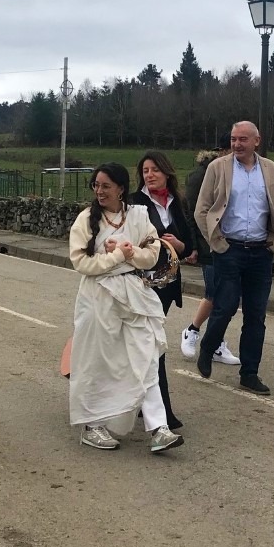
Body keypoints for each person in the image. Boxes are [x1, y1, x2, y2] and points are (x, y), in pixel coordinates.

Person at [68, 163, 183, 454]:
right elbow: (82, 264)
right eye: (96, 185)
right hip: (99, 296)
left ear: (121, 188)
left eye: (106, 185)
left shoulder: (139, 216)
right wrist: (118, 254)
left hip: (134, 294)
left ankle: (159, 428)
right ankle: (93, 425)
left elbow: (151, 256)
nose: (99, 190)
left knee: (145, 357)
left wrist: (130, 255)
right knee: (100, 360)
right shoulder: (85, 220)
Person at [192, 121, 274, 395]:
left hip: (260, 252)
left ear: (256, 141)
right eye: (234, 139)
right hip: (229, 249)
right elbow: (201, 210)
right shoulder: (217, 168)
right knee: (224, 306)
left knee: (256, 315)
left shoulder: (271, 170)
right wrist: (217, 242)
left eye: (243, 139)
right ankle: (208, 347)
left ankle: (249, 373)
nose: (236, 144)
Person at [129, 151, 194, 430]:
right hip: (141, 284)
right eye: (145, 170)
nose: (149, 175)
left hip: (166, 285)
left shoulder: (177, 202)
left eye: (155, 169)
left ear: (167, 172)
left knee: (148, 345)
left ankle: (143, 401)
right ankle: (162, 411)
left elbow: (191, 243)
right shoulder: (134, 203)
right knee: (154, 344)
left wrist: (180, 246)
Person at [179, 148, 241, 367]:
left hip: (231, 244)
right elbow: (193, 213)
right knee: (215, 294)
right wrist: (193, 247)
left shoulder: (235, 171)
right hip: (209, 244)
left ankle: (214, 342)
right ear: (222, 150)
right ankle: (193, 331)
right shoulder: (202, 175)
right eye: (231, 147)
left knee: (226, 298)